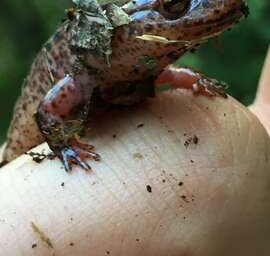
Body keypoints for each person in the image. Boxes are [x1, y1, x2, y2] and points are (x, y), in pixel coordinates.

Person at [0, 47, 269, 256]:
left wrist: (198, 81)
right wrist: (66, 148)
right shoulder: (87, 71)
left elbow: (172, 74)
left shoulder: (132, 66)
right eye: (175, 5)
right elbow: (47, 112)